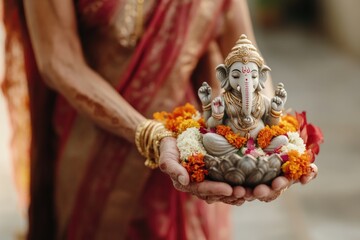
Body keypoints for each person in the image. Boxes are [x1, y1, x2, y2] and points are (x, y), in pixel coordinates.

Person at [4, 0, 317, 239]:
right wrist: (150, 135)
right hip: (91, 154)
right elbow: (59, 60)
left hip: (187, 157)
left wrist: (274, 133)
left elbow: (244, 53)